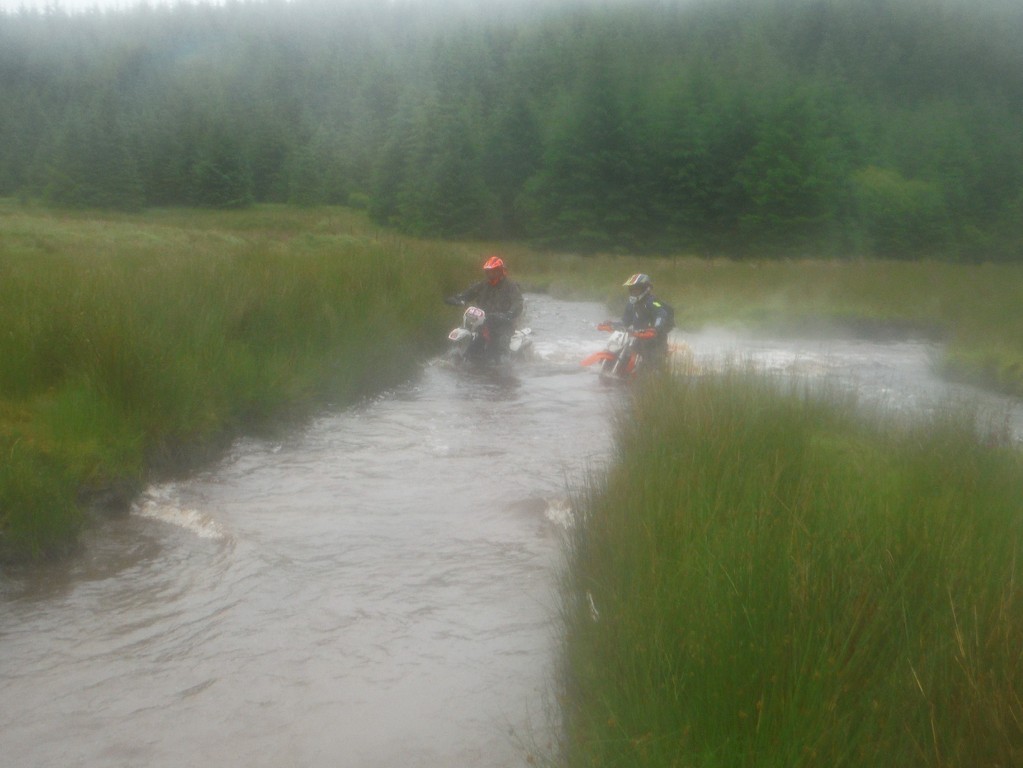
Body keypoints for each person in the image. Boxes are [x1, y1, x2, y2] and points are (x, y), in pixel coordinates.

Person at [445, 255, 524, 360]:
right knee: (472, 345)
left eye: (493, 271)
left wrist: (509, 314)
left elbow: (518, 302)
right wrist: (457, 299)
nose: (490, 274)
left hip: (504, 324)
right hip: (482, 323)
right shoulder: (482, 285)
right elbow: (467, 294)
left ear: (500, 271)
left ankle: (505, 367)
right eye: (488, 271)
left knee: (501, 349)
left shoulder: (511, 286)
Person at [619, 273, 673, 363]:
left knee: (649, 364)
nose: (633, 293)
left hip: (656, 341)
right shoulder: (631, 304)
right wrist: (612, 324)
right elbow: (625, 321)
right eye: (632, 290)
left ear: (645, 289)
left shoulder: (653, 302)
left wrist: (655, 329)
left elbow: (661, 314)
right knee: (624, 355)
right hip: (638, 339)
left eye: (636, 290)